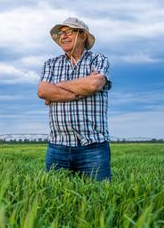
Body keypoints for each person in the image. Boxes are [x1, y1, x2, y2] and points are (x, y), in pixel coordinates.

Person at [37, 17, 112, 181]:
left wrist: (59, 86)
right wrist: (80, 91)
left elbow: (93, 84)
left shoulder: (97, 59)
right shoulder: (51, 64)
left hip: (93, 146)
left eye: (68, 32)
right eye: (61, 33)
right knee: (56, 198)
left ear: (83, 35)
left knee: (99, 199)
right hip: (57, 146)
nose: (62, 36)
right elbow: (43, 91)